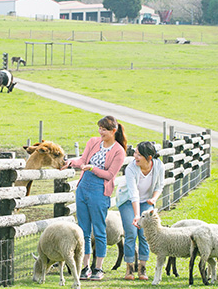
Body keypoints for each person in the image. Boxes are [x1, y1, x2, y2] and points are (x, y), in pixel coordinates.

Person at [62, 115, 127, 281]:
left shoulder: (119, 151)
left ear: (114, 131)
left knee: (99, 230)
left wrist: (92, 168)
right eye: (99, 128)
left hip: (100, 190)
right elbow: (83, 160)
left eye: (104, 129)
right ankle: (84, 266)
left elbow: (110, 174)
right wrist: (71, 163)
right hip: (83, 188)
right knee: (83, 229)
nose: (101, 132)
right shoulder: (92, 142)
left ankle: (98, 268)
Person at [116, 141, 164, 280]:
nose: (135, 156)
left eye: (139, 154)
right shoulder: (131, 168)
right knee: (131, 232)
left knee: (145, 233)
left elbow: (159, 186)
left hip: (147, 201)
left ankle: (142, 269)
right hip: (127, 201)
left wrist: (154, 199)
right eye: (135, 153)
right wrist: (137, 215)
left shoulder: (158, 166)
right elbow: (133, 193)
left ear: (149, 157)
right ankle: (129, 269)